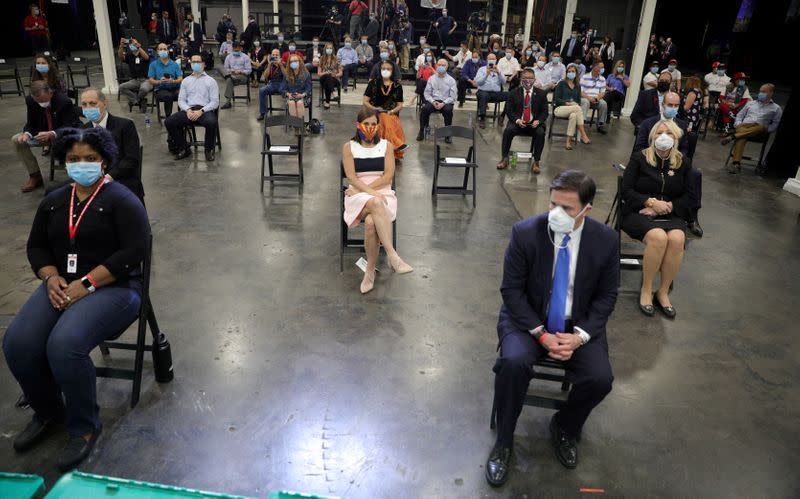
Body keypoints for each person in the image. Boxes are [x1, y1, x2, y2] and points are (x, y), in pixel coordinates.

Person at [3, 126, 149, 471]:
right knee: (18, 343)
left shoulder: (123, 200)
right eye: (73, 159)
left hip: (115, 287)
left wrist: (86, 283)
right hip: (60, 285)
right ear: (63, 161)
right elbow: (36, 246)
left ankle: (84, 427)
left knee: (64, 344)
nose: (81, 164)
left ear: (104, 161)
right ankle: (49, 411)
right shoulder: (54, 200)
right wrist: (51, 276)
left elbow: (134, 251)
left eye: (90, 159)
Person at [486, 169, 618, 487]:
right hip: (529, 320)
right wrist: (541, 334)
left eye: (567, 208)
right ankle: (504, 440)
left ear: (587, 209)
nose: (556, 214)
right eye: (552, 204)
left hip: (578, 325)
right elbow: (511, 292)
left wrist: (579, 337)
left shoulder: (606, 240)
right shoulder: (526, 233)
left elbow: (606, 296)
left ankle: (565, 426)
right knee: (514, 364)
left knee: (600, 379)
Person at [622, 120, 692, 319]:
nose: (664, 137)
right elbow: (626, 190)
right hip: (638, 211)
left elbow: (689, 196)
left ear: (676, 138)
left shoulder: (683, 162)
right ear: (652, 137)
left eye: (669, 133)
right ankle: (646, 290)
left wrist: (669, 206)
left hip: (670, 212)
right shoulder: (639, 158)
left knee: (677, 239)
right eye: (659, 132)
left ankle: (662, 291)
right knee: (659, 238)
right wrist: (650, 203)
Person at [342, 107, 413, 294]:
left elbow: (388, 175)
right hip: (358, 196)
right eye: (366, 124)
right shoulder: (349, 147)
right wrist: (366, 192)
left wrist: (368, 190)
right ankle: (393, 256)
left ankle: (370, 272)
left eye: (374, 124)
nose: (370, 127)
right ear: (359, 125)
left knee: (372, 223)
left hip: (381, 192)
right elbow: (352, 178)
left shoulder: (387, 146)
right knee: (375, 202)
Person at [73, 88, 144, 201]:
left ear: (105, 103)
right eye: (84, 104)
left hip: (121, 179)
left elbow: (131, 160)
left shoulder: (125, 126)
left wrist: (108, 178)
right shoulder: (82, 130)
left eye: (93, 103)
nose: (88, 108)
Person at [13, 81, 81, 192]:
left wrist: (53, 133)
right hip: (41, 134)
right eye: (37, 101)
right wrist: (27, 133)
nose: (41, 103)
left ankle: (77, 176)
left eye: (43, 100)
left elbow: (71, 126)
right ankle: (35, 175)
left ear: (50, 93)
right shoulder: (30, 101)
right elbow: (31, 122)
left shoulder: (64, 102)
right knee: (16, 140)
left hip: (62, 134)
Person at [165, 55, 220, 162]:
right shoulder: (186, 80)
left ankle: (208, 150)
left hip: (205, 110)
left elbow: (215, 102)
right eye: (193, 61)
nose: (195, 64)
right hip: (189, 110)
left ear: (203, 64)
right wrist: (188, 110)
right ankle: (184, 148)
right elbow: (181, 100)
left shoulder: (211, 81)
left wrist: (201, 111)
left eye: (198, 61)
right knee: (169, 122)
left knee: (211, 122)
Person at [721, 83, 782, 174]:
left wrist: (766, 130)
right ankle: (736, 164)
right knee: (742, 136)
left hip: (759, 131)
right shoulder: (750, 103)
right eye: (760, 91)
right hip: (744, 127)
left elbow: (775, 124)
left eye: (764, 92)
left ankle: (733, 136)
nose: (760, 93)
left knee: (761, 126)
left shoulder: (776, 108)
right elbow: (739, 115)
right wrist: (738, 124)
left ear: (771, 93)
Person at [497, 68, 548, 173]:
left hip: (534, 124)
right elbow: (508, 109)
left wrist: (538, 121)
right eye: (525, 78)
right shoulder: (514, 92)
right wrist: (517, 120)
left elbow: (545, 112)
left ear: (534, 79)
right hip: (518, 123)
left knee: (540, 133)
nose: (528, 80)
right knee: (508, 131)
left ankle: (536, 161)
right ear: (521, 79)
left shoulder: (541, 94)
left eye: (530, 78)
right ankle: (505, 158)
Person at [363, 61, 407, 159]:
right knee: (383, 117)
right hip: (374, 113)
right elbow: (365, 101)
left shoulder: (397, 86)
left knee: (385, 117)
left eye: (388, 69)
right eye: (383, 68)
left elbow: (400, 105)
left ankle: (390, 148)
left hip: (391, 114)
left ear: (393, 71)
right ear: (380, 70)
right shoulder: (373, 83)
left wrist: (391, 111)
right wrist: (375, 109)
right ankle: (397, 144)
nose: (385, 71)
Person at [416, 59, 457, 142]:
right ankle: (421, 130)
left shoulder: (451, 80)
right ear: (436, 66)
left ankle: (447, 134)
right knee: (424, 109)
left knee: (448, 110)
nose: (441, 67)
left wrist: (443, 103)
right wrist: (432, 101)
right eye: (439, 65)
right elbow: (427, 93)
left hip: (446, 101)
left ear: (447, 67)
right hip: (433, 101)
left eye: (443, 65)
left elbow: (453, 96)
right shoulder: (431, 79)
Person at [554, 64, 591, 149]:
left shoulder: (578, 86)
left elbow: (578, 101)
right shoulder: (561, 83)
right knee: (577, 108)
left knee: (574, 115)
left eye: (573, 71)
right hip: (560, 109)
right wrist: (567, 103)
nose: (571, 73)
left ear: (576, 73)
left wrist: (573, 104)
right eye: (569, 71)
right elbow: (557, 100)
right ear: (566, 73)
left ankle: (568, 142)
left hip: (573, 110)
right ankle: (583, 134)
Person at [147, 43, 183, 117]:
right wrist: (159, 81)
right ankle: (168, 117)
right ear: (157, 52)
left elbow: (180, 78)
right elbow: (150, 80)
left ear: (168, 51)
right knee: (168, 96)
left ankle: (182, 116)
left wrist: (173, 81)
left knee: (183, 94)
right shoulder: (153, 64)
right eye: (160, 49)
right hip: (160, 88)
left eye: (165, 49)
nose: (163, 51)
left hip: (174, 87)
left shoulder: (174, 64)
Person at [117, 38, 152, 112]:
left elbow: (146, 57)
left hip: (146, 80)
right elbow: (121, 57)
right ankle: (138, 100)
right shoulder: (129, 55)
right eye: (131, 44)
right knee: (121, 87)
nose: (133, 45)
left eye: (135, 44)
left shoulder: (142, 53)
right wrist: (121, 45)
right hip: (134, 80)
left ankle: (138, 100)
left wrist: (138, 47)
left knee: (144, 89)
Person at [474, 53, 508, 128]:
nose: (492, 60)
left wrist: (498, 73)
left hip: (496, 93)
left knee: (511, 95)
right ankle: (482, 118)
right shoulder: (481, 69)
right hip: (483, 92)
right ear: (487, 60)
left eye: (493, 59)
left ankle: (502, 116)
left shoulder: (499, 69)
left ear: (496, 60)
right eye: (490, 59)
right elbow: (478, 82)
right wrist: (486, 74)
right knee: (484, 95)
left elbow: (504, 82)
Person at [682, 76, 708, 159]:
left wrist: (676, 106)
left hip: (689, 119)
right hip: (694, 118)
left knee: (688, 138)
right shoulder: (699, 91)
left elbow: (686, 107)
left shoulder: (692, 93)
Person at [220, 41, 252, 109]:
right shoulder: (229, 57)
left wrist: (241, 71)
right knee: (229, 79)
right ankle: (228, 102)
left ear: (241, 48)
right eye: (235, 50)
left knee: (229, 79)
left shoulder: (245, 57)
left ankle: (227, 102)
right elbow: (225, 68)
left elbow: (249, 70)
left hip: (242, 76)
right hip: (232, 74)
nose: (236, 51)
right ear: (232, 48)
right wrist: (232, 71)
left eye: (238, 50)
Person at [257, 49, 285, 121]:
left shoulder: (284, 64)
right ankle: (263, 113)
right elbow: (265, 76)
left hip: (282, 83)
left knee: (286, 92)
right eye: (273, 55)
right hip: (272, 83)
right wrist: (269, 65)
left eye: (277, 55)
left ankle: (289, 112)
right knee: (262, 90)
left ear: (280, 56)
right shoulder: (269, 64)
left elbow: (287, 76)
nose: (275, 56)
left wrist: (280, 65)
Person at [281, 54, 311, 120]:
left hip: (303, 96)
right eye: (291, 62)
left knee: (299, 103)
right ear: (289, 64)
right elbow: (283, 89)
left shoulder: (306, 73)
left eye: (295, 61)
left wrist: (302, 95)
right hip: (290, 96)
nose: (293, 63)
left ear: (299, 62)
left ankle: (300, 125)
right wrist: (288, 94)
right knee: (291, 103)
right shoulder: (286, 74)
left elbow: (308, 88)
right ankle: (296, 126)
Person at [579, 63, 607, 133]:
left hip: (596, 98)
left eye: (603, 68)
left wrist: (597, 98)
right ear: (594, 67)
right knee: (585, 102)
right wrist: (589, 98)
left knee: (603, 103)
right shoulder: (584, 77)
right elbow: (580, 91)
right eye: (600, 68)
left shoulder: (602, 79)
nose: (602, 70)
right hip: (585, 97)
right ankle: (582, 123)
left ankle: (600, 124)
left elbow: (603, 92)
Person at [318, 43, 343, 109]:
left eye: (330, 48)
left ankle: (327, 102)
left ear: (333, 50)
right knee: (327, 76)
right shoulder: (321, 58)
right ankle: (333, 92)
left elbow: (341, 73)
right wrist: (325, 72)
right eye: (328, 48)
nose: (329, 49)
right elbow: (319, 73)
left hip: (334, 79)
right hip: (323, 78)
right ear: (325, 49)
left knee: (329, 80)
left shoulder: (336, 59)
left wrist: (335, 75)